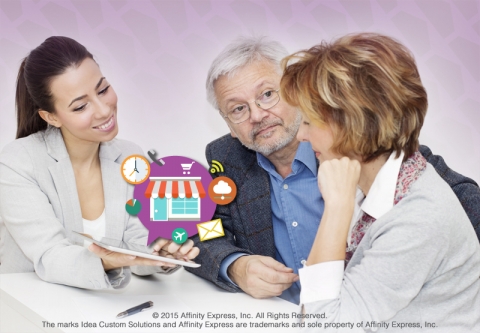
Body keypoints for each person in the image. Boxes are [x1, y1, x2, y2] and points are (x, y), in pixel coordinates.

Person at [185, 35, 480, 305]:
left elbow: (458, 205)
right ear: (229, 126)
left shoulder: (357, 144)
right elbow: (205, 230)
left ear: (293, 91)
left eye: (267, 94)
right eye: (238, 109)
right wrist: (234, 266)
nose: (258, 115)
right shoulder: (226, 158)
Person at [280, 33, 480, 331]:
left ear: (350, 121)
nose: (301, 137)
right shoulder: (375, 182)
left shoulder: (418, 219)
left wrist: (337, 208)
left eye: (308, 121)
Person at [0, 36, 199, 289]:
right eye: (81, 106)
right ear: (51, 116)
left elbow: (136, 237)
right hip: (30, 313)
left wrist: (160, 252)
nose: (104, 110)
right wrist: (108, 261)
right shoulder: (18, 162)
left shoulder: (130, 156)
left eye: (103, 89)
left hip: (103, 311)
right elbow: (49, 255)